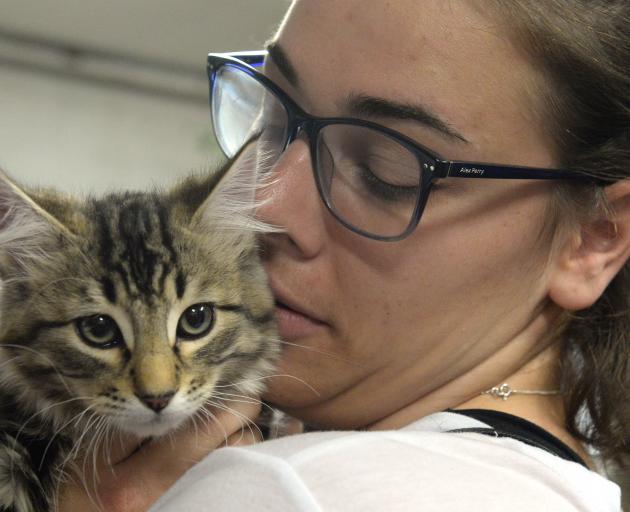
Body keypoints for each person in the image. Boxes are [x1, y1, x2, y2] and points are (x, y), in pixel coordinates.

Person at [60, 0, 629, 510]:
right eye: (274, 115)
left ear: (594, 240)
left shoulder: (292, 488)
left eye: (387, 169)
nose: (266, 204)